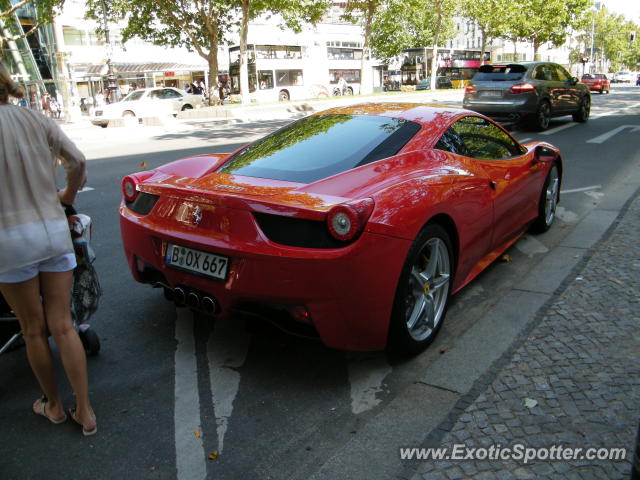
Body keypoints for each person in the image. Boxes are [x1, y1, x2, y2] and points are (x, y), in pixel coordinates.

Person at [0, 63, 97, 436]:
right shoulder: (35, 119)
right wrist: (67, 195)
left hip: (8, 240)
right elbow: (79, 162)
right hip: (52, 230)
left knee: (33, 330)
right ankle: (85, 411)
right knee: (63, 324)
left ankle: (54, 405)